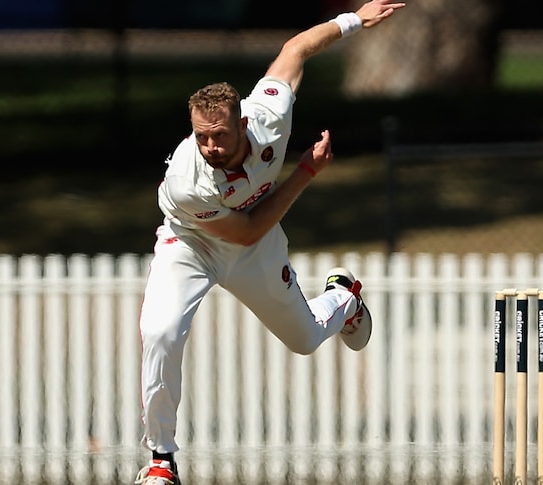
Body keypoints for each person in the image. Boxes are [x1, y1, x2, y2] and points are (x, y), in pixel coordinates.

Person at [133, 1, 406, 484]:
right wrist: (305, 173)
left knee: (302, 340)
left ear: (242, 124)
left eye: (218, 136)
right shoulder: (187, 179)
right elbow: (247, 226)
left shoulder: (269, 115)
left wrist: (354, 20)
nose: (210, 148)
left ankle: (343, 298)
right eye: (201, 137)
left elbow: (295, 49)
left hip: (251, 247)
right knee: (161, 331)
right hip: (192, 242)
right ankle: (161, 457)